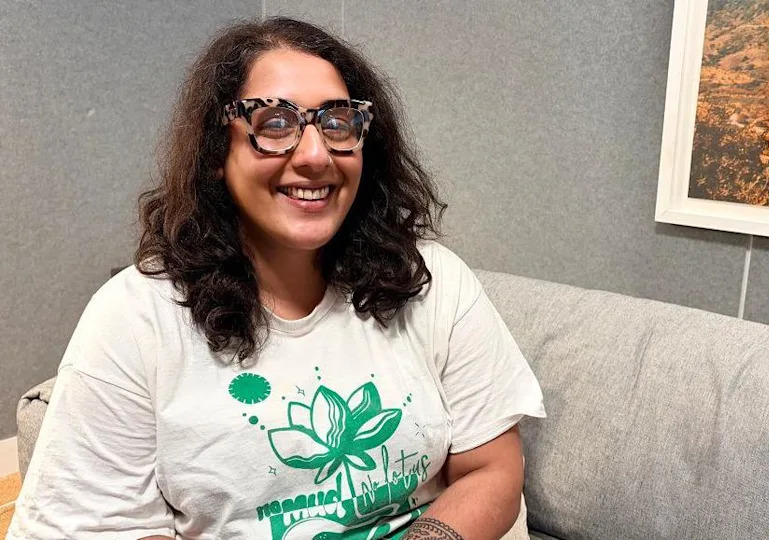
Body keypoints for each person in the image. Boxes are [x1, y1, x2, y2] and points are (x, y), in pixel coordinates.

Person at [9, 17, 545, 540]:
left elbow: (491, 469)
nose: (314, 155)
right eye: (274, 124)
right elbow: (100, 526)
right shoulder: (133, 319)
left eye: (337, 123)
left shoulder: (431, 281)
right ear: (217, 152)